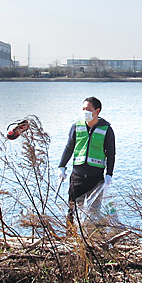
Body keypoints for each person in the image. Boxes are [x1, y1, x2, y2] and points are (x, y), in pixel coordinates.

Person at [58, 96, 116, 228]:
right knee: (72, 210)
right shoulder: (77, 126)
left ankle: (91, 239)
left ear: (97, 111)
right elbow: (69, 147)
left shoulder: (106, 129)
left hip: (95, 178)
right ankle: (70, 237)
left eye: (88, 109)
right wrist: (61, 166)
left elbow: (111, 154)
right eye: (83, 109)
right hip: (77, 176)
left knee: (93, 212)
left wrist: (109, 174)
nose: (85, 112)